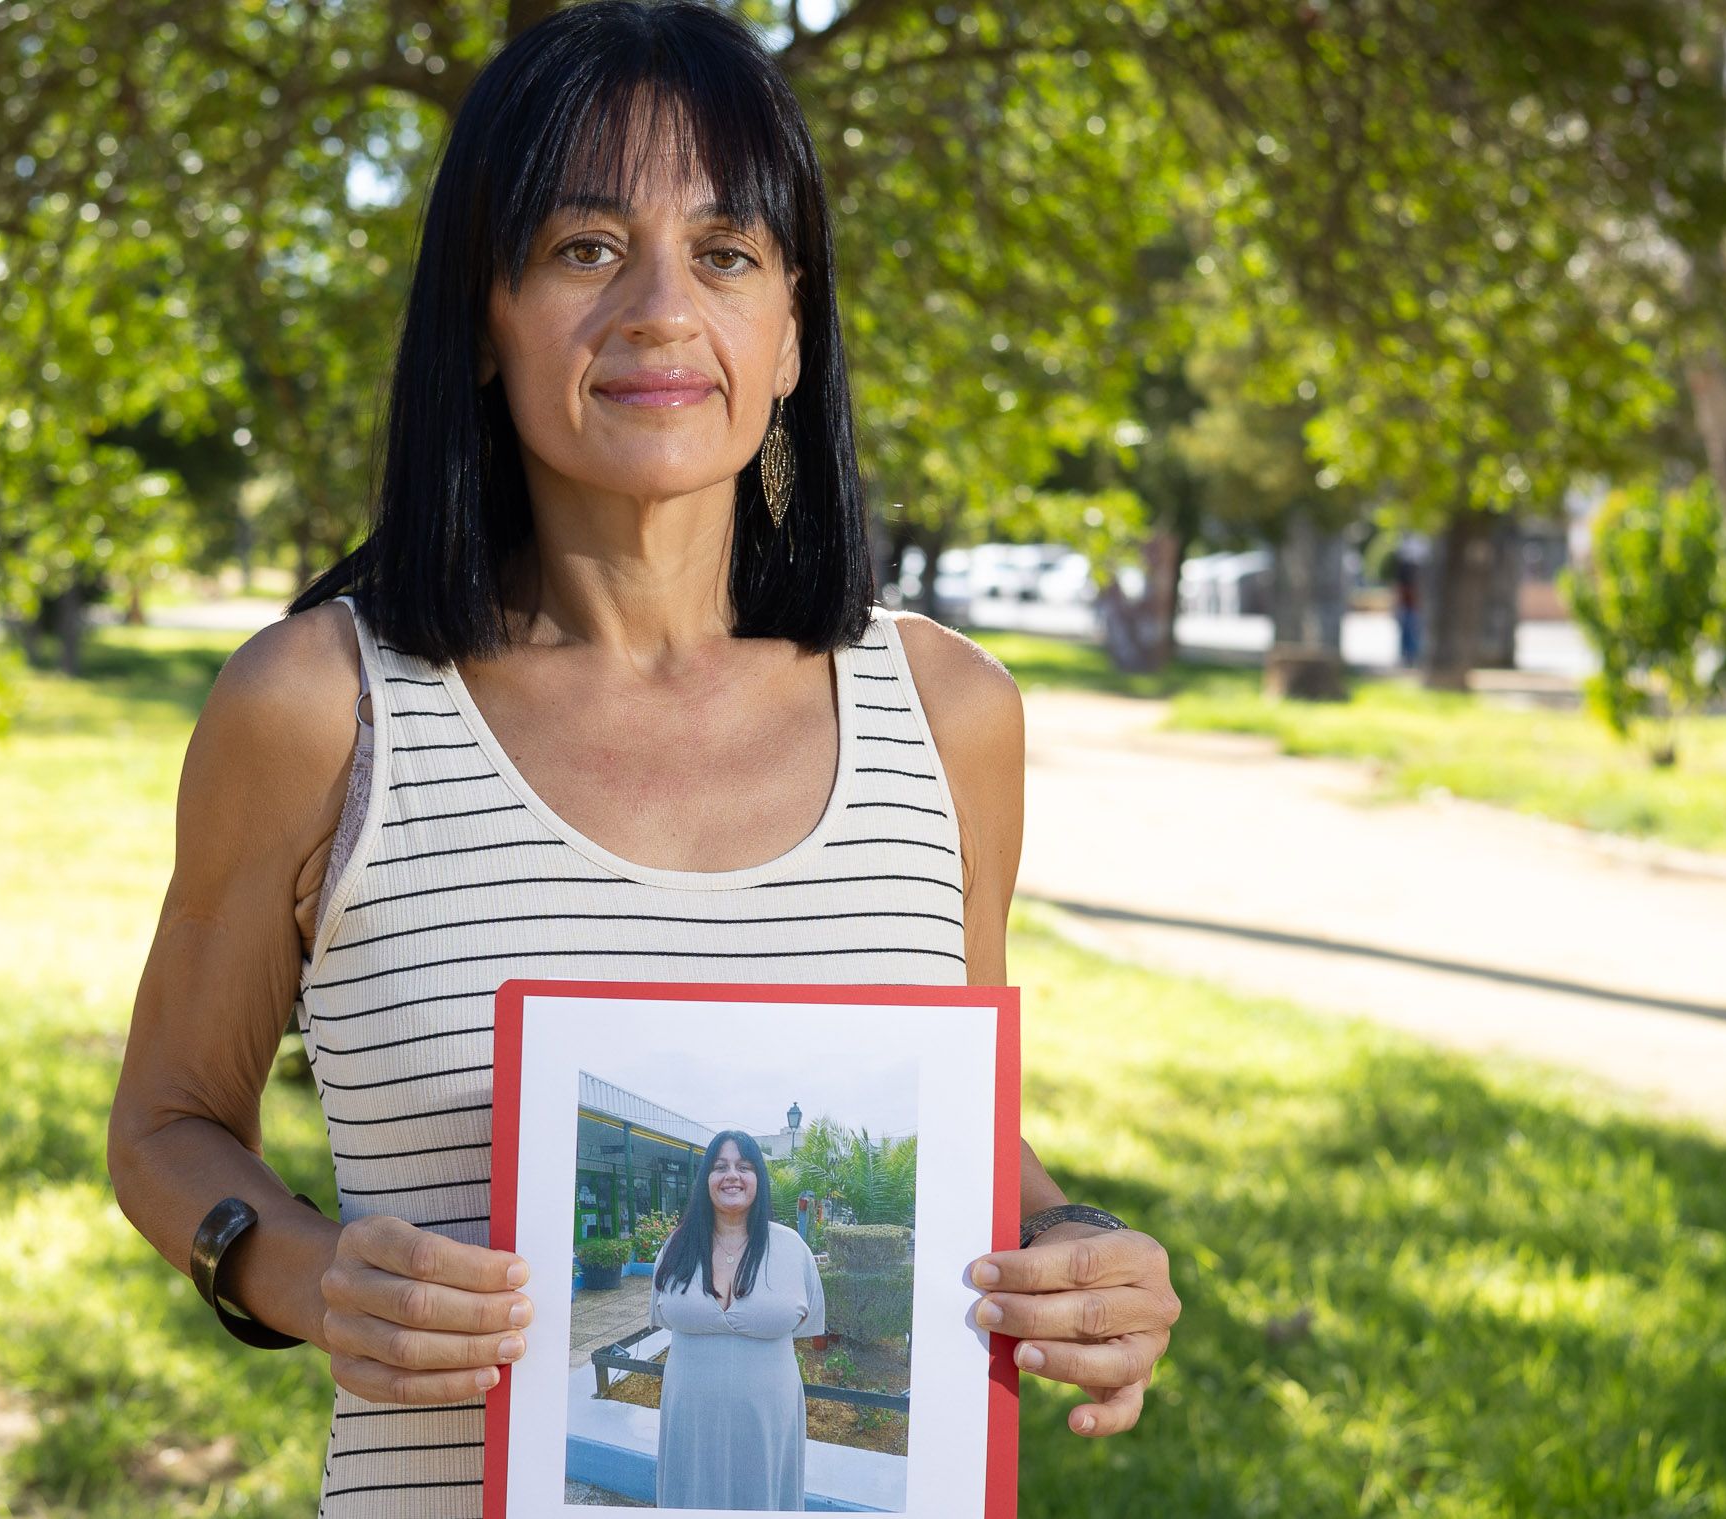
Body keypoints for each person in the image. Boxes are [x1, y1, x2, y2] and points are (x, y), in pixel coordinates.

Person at [103, 5, 1181, 1516]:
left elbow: (968, 1132)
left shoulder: (949, 715)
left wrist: (1081, 1252)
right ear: (485, 315)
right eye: (586, 249)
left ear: (794, 328)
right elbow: (164, 1120)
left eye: (729, 253)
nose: (664, 310)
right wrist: (292, 1266)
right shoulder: (321, 709)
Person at [645, 1132, 826, 1511]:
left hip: (768, 1423)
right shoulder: (676, 1246)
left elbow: (809, 1323)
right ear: (705, 1180)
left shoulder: (792, 1248)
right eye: (720, 1167)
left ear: (759, 1177)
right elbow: (661, 1312)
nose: (732, 1175)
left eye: (744, 1166)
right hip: (689, 1422)